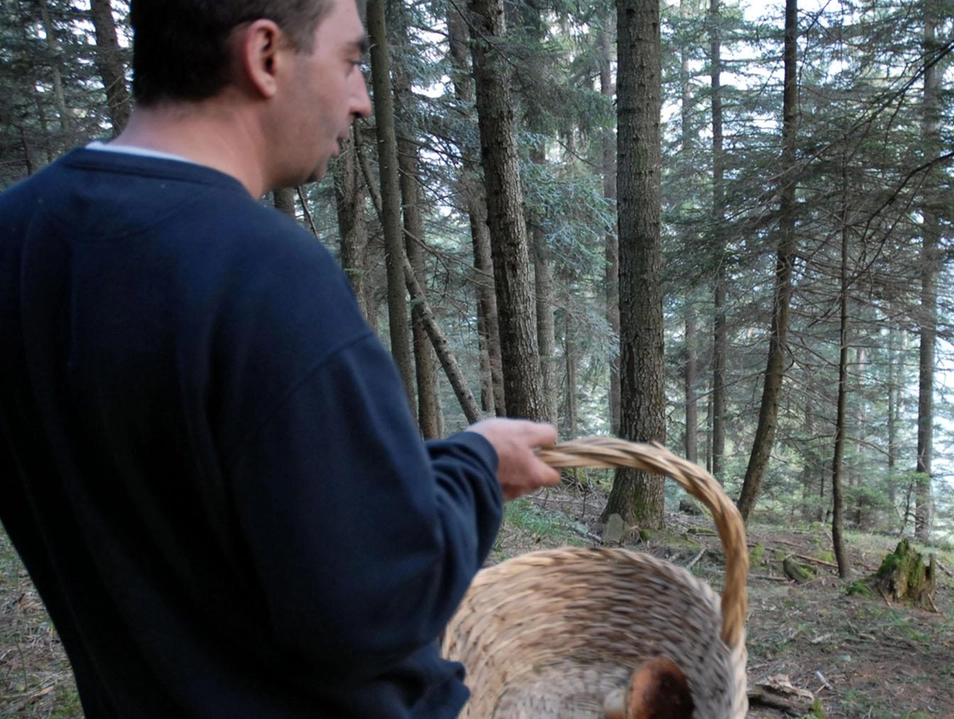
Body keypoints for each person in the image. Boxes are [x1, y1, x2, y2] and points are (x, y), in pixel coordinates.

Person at [0, 0, 562, 716]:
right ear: (265, 55)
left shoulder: (17, 237)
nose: (361, 102)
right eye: (352, 62)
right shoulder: (263, 274)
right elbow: (378, 602)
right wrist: (477, 465)